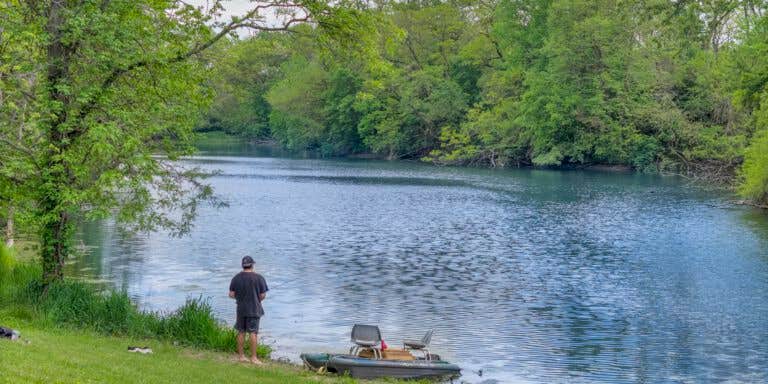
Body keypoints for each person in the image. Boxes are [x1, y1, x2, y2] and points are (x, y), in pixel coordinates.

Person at [229, 255, 269, 364]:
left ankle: (241, 356)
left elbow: (231, 294)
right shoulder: (259, 278)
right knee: (253, 333)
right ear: (252, 265)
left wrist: (239, 297)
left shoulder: (236, 278)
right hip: (254, 309)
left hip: (241, 309)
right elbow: (263, 295)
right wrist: (256, 298)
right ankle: (254, 358)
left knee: (241, 332)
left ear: (243, 265)